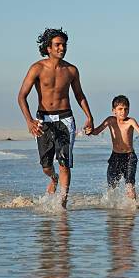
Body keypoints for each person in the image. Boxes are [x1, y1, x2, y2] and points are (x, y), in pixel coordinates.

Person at [18, 28, 94, 209]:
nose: (62, 48)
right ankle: (53, 178)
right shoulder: (37, 68)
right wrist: (29, 121)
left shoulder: (71, 70)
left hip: (65, 119)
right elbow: (21, 96)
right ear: (48, 48)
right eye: (57, 45)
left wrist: (89, 117)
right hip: (43, 120)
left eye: (64, 45)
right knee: (46, 166)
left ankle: (62, 203)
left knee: (64, 162)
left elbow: (79, 95)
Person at [90, 95, 139, 200]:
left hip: (129, 157)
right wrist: (89, 130)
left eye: (126, 109)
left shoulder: (131, 121)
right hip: (115, 157)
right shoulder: (110, 120)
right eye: (120, 109)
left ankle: (132, 210)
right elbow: (96, 131)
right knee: (112, 185)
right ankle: (113, 208)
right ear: (114, 111)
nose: (123, 112)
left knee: (129, 185)